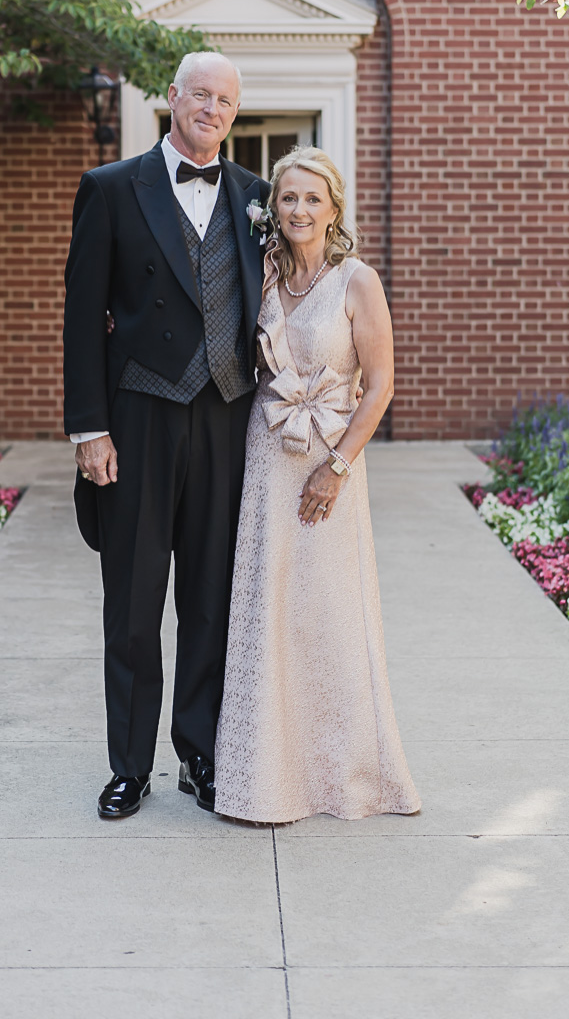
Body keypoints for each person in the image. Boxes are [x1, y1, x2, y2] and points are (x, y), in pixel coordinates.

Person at [63, 51, 269, 819]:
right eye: (199, 94)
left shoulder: (255, 198)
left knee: (212, 601)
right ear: (173, 98)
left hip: (227, 414)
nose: (210, 108)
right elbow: (82, 317)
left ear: (233, 114)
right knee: (134, 602)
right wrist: (89, 429)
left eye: (225, 99)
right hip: (139, 416)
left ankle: (201, 756)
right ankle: (128, 766)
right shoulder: (112, 189)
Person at [214, 146, 420, 822]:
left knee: (328, 613)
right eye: (287, 198)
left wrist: (336, 468)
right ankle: (267, 778)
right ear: (273, 208)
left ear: (334, 208)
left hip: (329, 460)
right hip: (267, 458)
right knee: (268, 610)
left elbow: (381, 383)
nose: (299, 210)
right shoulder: (263, 273)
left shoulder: (357, 280)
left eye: (311, 198)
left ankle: (344, 777)